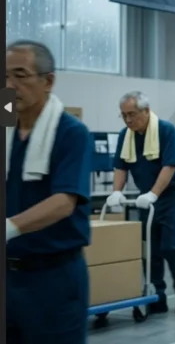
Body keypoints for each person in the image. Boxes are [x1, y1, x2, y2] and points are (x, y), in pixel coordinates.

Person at [5, 40, 93, 343]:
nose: (9, 85)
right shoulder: (6, 128)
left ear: (48, 81)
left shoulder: (70, 132)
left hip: (53, 279)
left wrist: (9, 227)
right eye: (4, 76)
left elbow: (63, 202)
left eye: (20, 75)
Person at [106, 91, 175, 314]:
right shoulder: (126, 136)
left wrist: (154, 193)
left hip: (171, 197)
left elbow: (170, 166)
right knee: (151, 250)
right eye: (123, 115)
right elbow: (121, 166)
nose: (128, 120)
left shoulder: (166, 130)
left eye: (132, 114)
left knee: (172, 247)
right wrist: (116, 191)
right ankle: (158, 296)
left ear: (146, 111)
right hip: (146, 199)